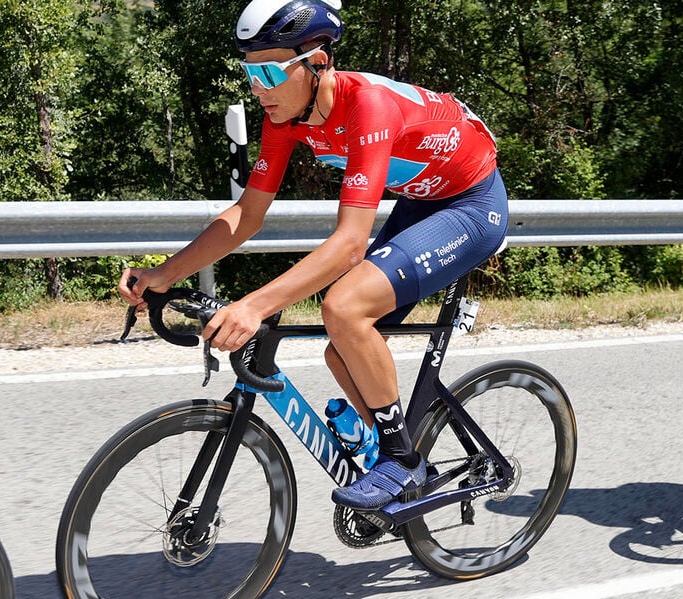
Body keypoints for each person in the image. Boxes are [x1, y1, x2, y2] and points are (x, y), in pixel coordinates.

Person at [119, 0, 507, 511]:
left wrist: (253, 306)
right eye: (248, 71)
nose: (257, 87)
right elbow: (247, 215)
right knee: (341, 345)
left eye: (268, 71)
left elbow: (349, 242)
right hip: (421, 199)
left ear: (317, 61)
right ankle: (408, 456)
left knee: (344, 308)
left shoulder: (367, 105)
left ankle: (400, 463)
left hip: (472, 204)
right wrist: (163, 274)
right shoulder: (284, 117)